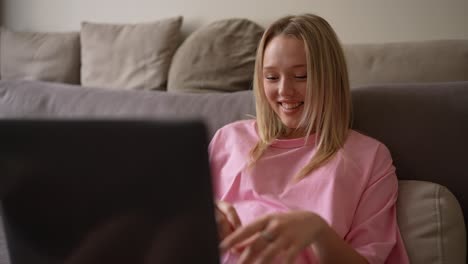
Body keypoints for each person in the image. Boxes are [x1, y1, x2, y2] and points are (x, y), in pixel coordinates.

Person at [208, 14, 410, 264]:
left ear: (330, 78)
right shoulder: (227, 139)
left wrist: (317, 231)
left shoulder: (370, 158)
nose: (284, 91)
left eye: (301, 76)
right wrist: (200, 217)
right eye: (271, 77)